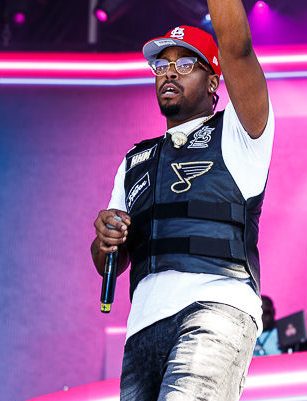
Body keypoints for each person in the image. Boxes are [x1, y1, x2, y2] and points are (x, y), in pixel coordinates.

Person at [90, 0, 275, 399]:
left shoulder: (240, 133)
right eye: (162, 65)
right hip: (142, 328)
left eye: (186, 63)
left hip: (215, 308)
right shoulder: (135, 160)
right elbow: (109, 263)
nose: (170, 71)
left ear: (213, 82)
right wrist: (105, 240)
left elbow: (237, 49)